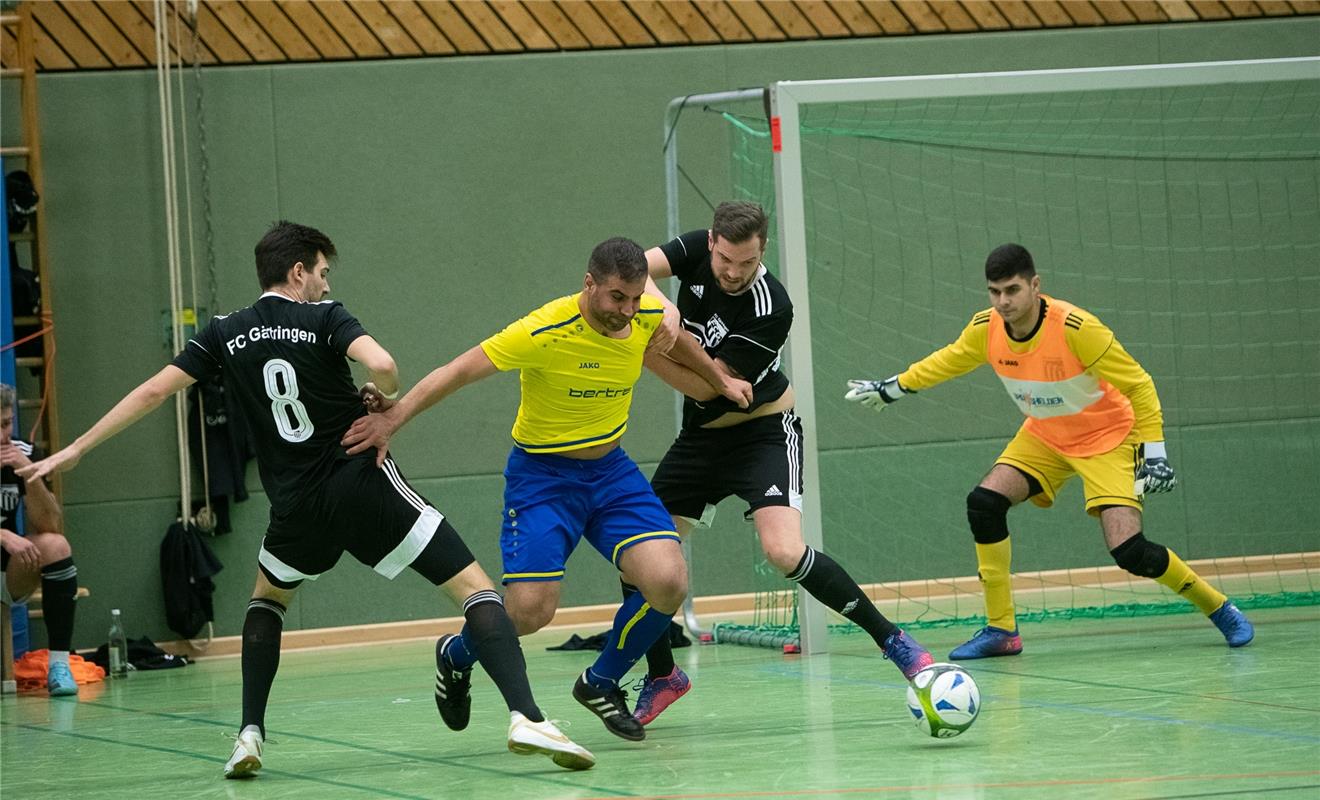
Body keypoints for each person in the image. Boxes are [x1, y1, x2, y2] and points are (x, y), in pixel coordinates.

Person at [18, 221, 594, 777]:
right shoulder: (324, 318)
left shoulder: (225, 331)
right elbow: (386, 366)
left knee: (267, 603)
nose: (325, 285)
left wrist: (75, 452)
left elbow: (150, 392)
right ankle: (527, 717)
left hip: (296, 507)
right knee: (476, 590)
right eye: (321, 273)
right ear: (298, 272)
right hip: (361, 485)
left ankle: (249, 735)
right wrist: (384, 394)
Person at [342, 236, 752, 743]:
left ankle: (600, 680)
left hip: (611, 474)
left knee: (668, 581)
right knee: (531, 611)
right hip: (542, 479)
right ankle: (455, 654)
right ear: (589, 284)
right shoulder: (543, 329)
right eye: (616, 298)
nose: (626, 312)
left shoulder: (641, 310)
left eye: (635, 299)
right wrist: (393, 418)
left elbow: (678, 342)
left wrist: (719, 378)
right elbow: (457, 372)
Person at [844, 242, 1254, 658]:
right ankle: (1002, 630)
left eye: (1012, 290)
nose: (1003, 301)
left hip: (1109, 438)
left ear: (1035, 285)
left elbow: (1140, 384)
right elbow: (949, 360)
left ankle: (1219, 608)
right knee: (984, 503)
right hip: (1045, 436)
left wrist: (1155, 452)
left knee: (1130, 552)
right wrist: (893, 388)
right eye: (994, 291)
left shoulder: (1077, 328)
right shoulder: (986, 329)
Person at [633, 201, 935, 728]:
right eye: (726, 260)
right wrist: (660, 305)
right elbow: (636, 264)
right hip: (699, 442)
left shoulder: (774, 305)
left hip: (763, 432)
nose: (733, 273)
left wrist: (641, 344)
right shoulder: (695, 251)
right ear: (712, 245)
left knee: (783, 550)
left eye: (745, 263)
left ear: (762, 252)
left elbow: (713, 387)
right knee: (638, 550)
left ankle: (893, 640)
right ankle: (663, 674)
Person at [1, 383, 81, 696]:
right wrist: (4, 534)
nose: (2, 435)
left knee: (55, 545)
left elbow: (51, 524)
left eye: (6, 424)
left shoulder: (22, 453)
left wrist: (28, 473)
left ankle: (59, 665)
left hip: (9, 573)